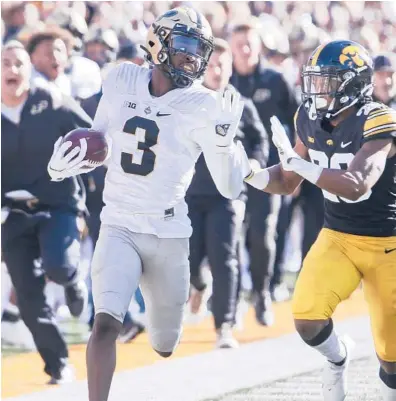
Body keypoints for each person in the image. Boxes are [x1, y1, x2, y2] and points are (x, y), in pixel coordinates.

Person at [46, 7, 251, 401]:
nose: (193, 57)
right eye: (185, 46)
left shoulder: (206, 104)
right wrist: (64, 164)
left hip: (169, 231)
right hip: (119, 222)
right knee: (105, 324)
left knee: (164, 344)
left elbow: (228, 187)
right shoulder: (122, 78)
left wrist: (224, 145)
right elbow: (100, 141)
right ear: (158, 43)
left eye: (199, 49)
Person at [245, 40, 396, 401]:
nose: (318, 89)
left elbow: (357, 185)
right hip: (339, 236)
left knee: (392, 362)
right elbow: (286, 180)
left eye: (328, 81)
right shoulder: (308, 117)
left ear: (354, 84)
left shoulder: (378, 118)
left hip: (387, 244)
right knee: (307, 316)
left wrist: (302, 165)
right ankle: (337, 357)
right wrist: (247, 173)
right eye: (316, 80)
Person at [1, 40, 91, 384]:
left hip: (57, 205)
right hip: (12, 214)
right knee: (27, 297)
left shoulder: (51, 100)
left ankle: (73, 282)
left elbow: (93, 138)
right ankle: (57, 363)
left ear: (29, 69)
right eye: (5, 63)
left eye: (19, 63)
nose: (12, 70)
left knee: (60, 266)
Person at [186, 38, 268, 348]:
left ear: (231, 68)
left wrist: (253, 164)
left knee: (224, 258)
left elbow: (260, 142)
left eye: (222, 64)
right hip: (190, 194)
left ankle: (224, 325)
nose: (216, 70)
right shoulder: (188, 102)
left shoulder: (242, 105)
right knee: (188, 257)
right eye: (210, 64)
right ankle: (198, 284)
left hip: (228, 196)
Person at [230, 20, 298, 325]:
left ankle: (261, 292)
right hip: (229, 174)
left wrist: (294, 169)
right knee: (228, 237)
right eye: (239, 45)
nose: (245, 50)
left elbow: (299, 123)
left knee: (263, 235)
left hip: (269, 173)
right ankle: (230, 305)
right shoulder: (221, 81)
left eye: (250, 44)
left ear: (259, 46)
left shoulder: (275, 80)